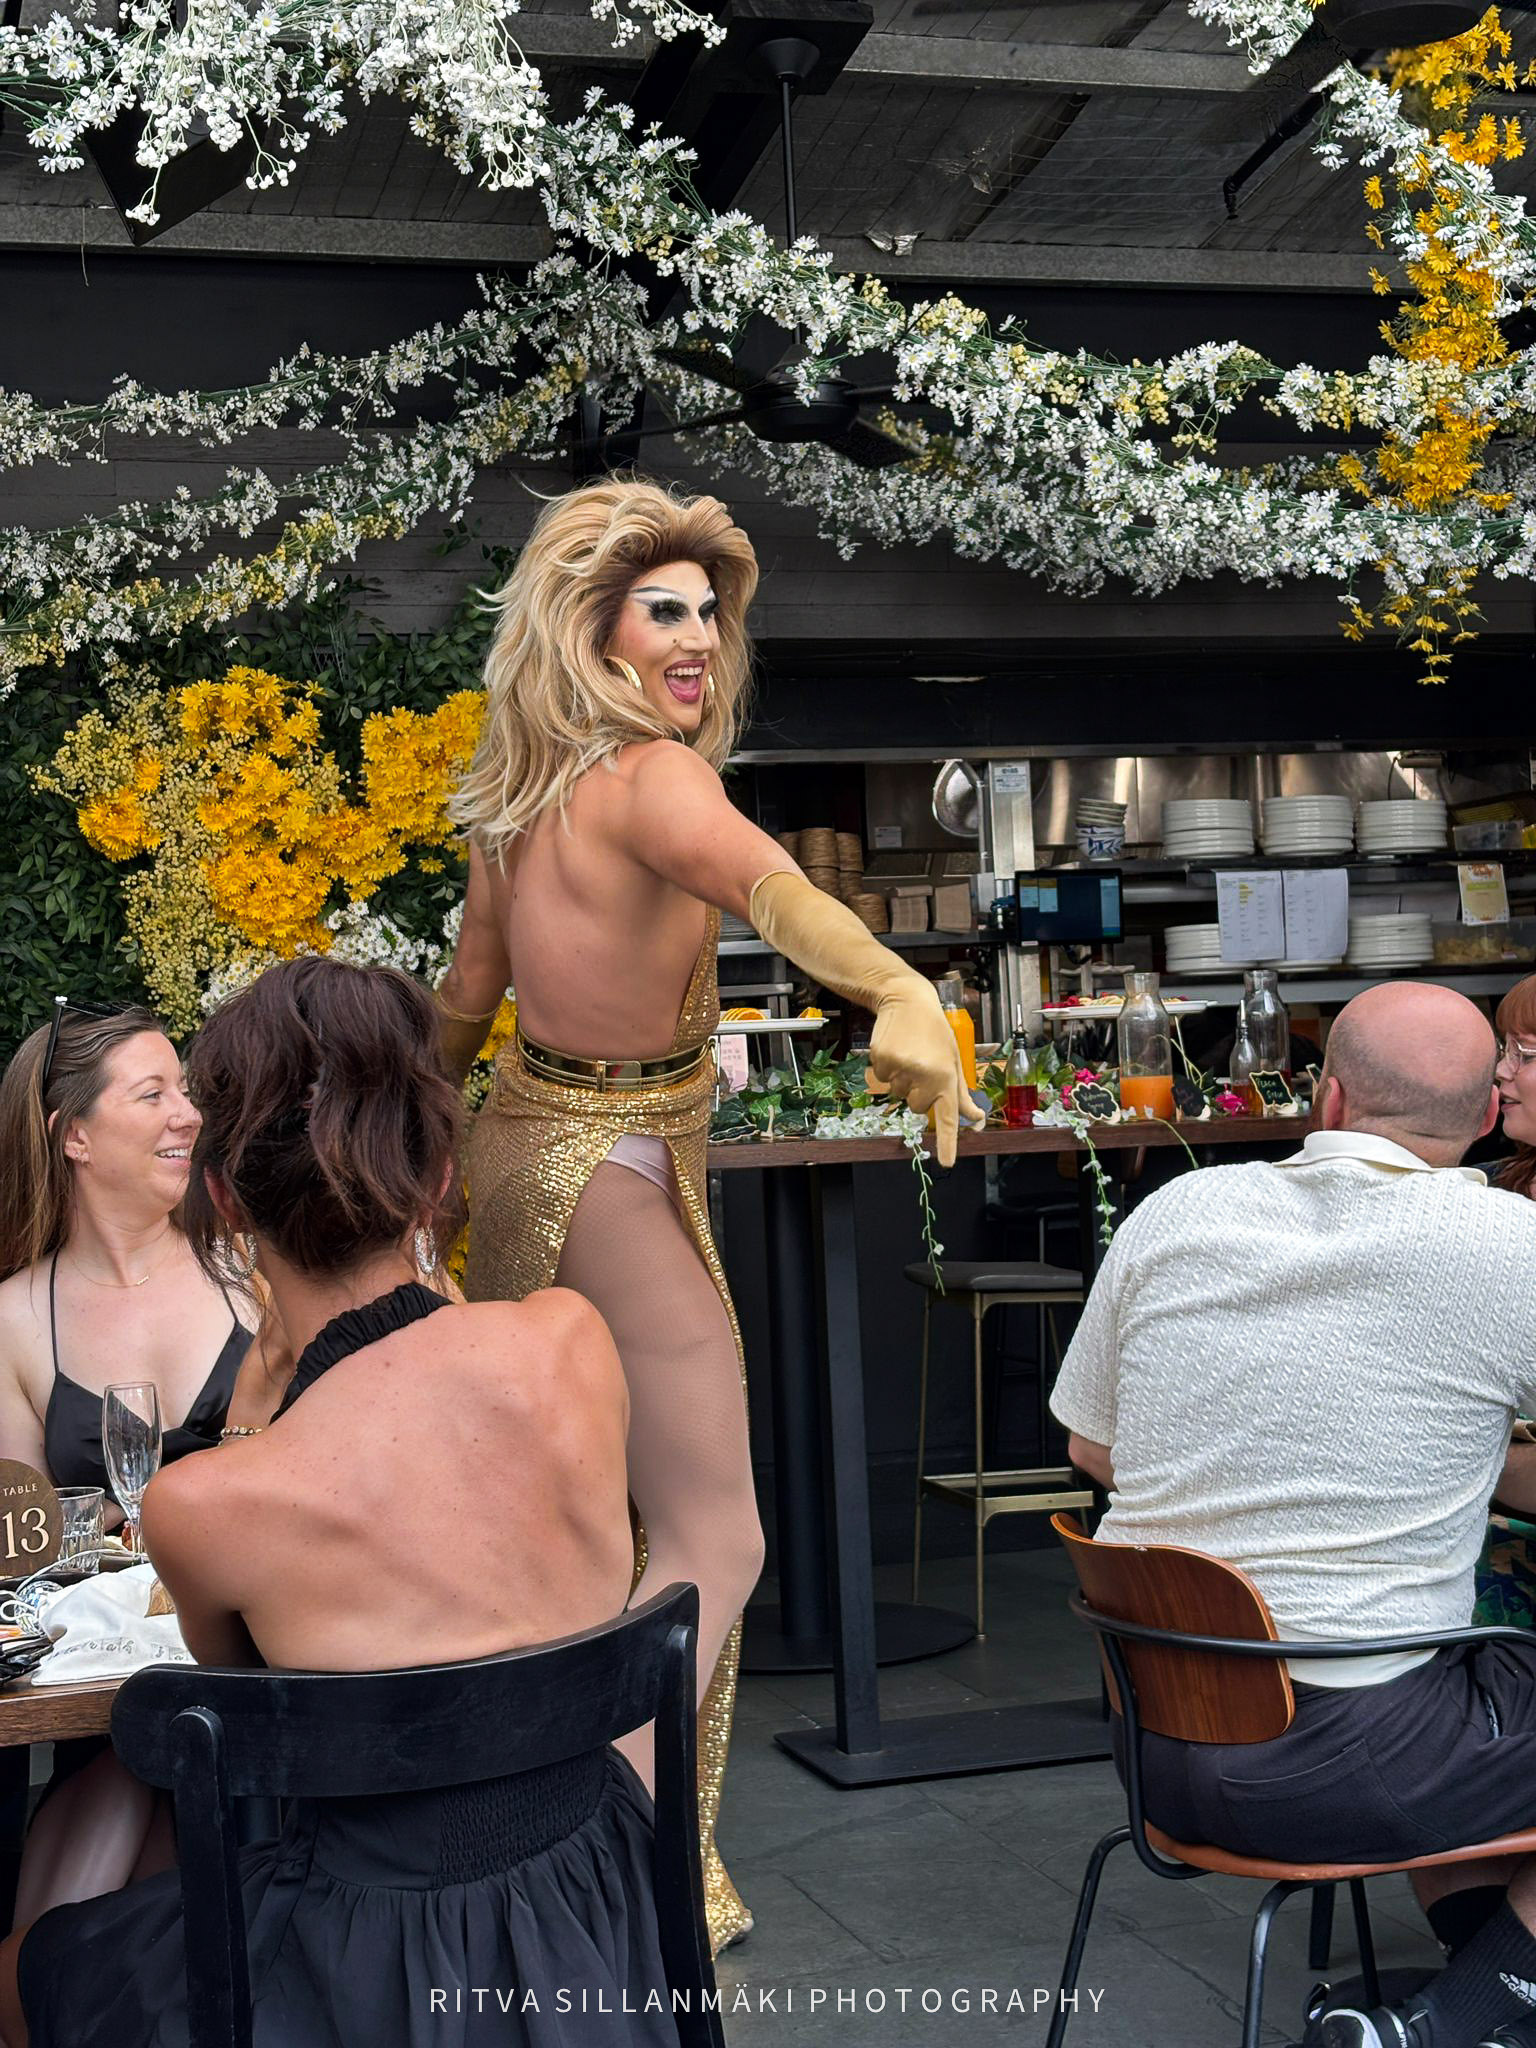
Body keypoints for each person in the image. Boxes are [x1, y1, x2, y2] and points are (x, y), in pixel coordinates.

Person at [436, 476, 983, 1949]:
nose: (695, 636)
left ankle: (569, 1845)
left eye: (708, 612)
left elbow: (465, 1005)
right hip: (605, 1166)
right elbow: (778, 890)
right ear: (593, 630)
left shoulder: (521, 795)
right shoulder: (653, 778)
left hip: (524, 1155)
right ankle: (593, 1858)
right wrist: (900, 983)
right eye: (660, 609)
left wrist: (407, 1152)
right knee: (715, 1535)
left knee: (597, 1534)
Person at [0, 953, 657, 2048]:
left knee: (26, 1974)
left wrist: (253, 1418)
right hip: (601, 1897)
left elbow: (241, 1701)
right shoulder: (570, 1341)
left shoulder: (207, 1503)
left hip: (364, 1961)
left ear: (222, 1196)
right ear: (438, 1175)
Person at [1049, 982, 1536, 2048]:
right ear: (1486, 1116)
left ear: (1330, 1099)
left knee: (1471, 1690)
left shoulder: (1176, 1209)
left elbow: (1090, 1448)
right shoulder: (1512, 1244)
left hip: (1160, 1748)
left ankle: (1496, 1995)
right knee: (1471, 1692)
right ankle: (1443, 2024)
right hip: (1361, 1766)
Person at [0, 1003, 282, 1920]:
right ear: (73, 1136)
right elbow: (22, 1550)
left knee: (155, 1769)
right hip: (114, 1672)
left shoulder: (253, 1271)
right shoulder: (15, 1317)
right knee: (140, 1758)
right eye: (154, 1094)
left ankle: (33, 1975)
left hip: (261, 1656)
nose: (188, 1115)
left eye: (187, 1092)